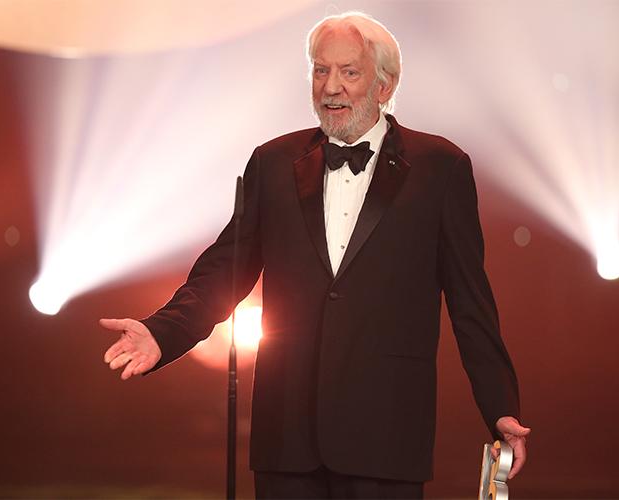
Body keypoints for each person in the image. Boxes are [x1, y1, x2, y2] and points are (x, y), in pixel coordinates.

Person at [100, 11, 530, 499]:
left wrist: (500, 407)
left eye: (349, 72)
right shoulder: (273, 163)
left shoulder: (441, 169)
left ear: (384, 86)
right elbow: (224, 270)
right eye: (321, 70)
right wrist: (162, 331)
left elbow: (471, 304)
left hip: (385, 436)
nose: (331, 87)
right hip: (287, 438)